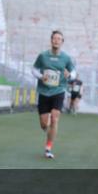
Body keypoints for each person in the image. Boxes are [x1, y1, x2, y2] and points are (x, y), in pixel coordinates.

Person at [32, 30, 76, 160]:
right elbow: (33, 69)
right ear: (51, 40)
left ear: (62, 42)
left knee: (55, 119)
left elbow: (73, 72)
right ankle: (48, 127)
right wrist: (41, 76)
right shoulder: (43, 56)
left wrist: (70, 75)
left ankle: (48, 148)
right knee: (44, 124)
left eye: (59, 39)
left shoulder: (66, 58)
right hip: (44, 92)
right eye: (54, 38)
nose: (56, 40)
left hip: (59, 91)